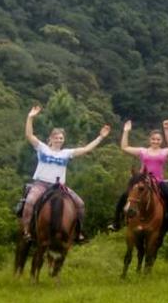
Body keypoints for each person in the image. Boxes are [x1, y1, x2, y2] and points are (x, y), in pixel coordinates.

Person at [19, 104, 110, 244]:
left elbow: (86, 149)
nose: (59, 140)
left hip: (59, 187)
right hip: (41, 184)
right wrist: (30, 117)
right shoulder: (42, 148)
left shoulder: (66, 153)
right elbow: (29, 135)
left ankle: (78, 232)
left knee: (80, 204)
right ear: (50, 138)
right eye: (56, 137)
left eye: (61, 138)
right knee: (30, 201)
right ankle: (26, 231)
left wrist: (100, 137)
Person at [112, 119, 168, 229]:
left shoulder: (164, 151)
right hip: (143, 181)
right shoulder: (143, 151)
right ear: (149, 140)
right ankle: (116, 222)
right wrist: (126, 131)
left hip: (158, 181)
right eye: (153, 139)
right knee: (124, 196)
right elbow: (124, 147)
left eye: (158, 139)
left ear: (161, 141)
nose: (155, 141)